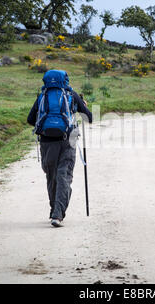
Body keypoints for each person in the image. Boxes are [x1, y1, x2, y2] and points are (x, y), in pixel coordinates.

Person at [27, 70, 92, 228]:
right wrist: (81, 105)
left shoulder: (42, 96)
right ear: (66, 80)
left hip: (47, 142)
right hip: (67, 141)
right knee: (64, 176)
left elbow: (30, 120)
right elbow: (89, 117)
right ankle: (58, 214)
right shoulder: (71, 94)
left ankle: (53, 210)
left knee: (52, 176)